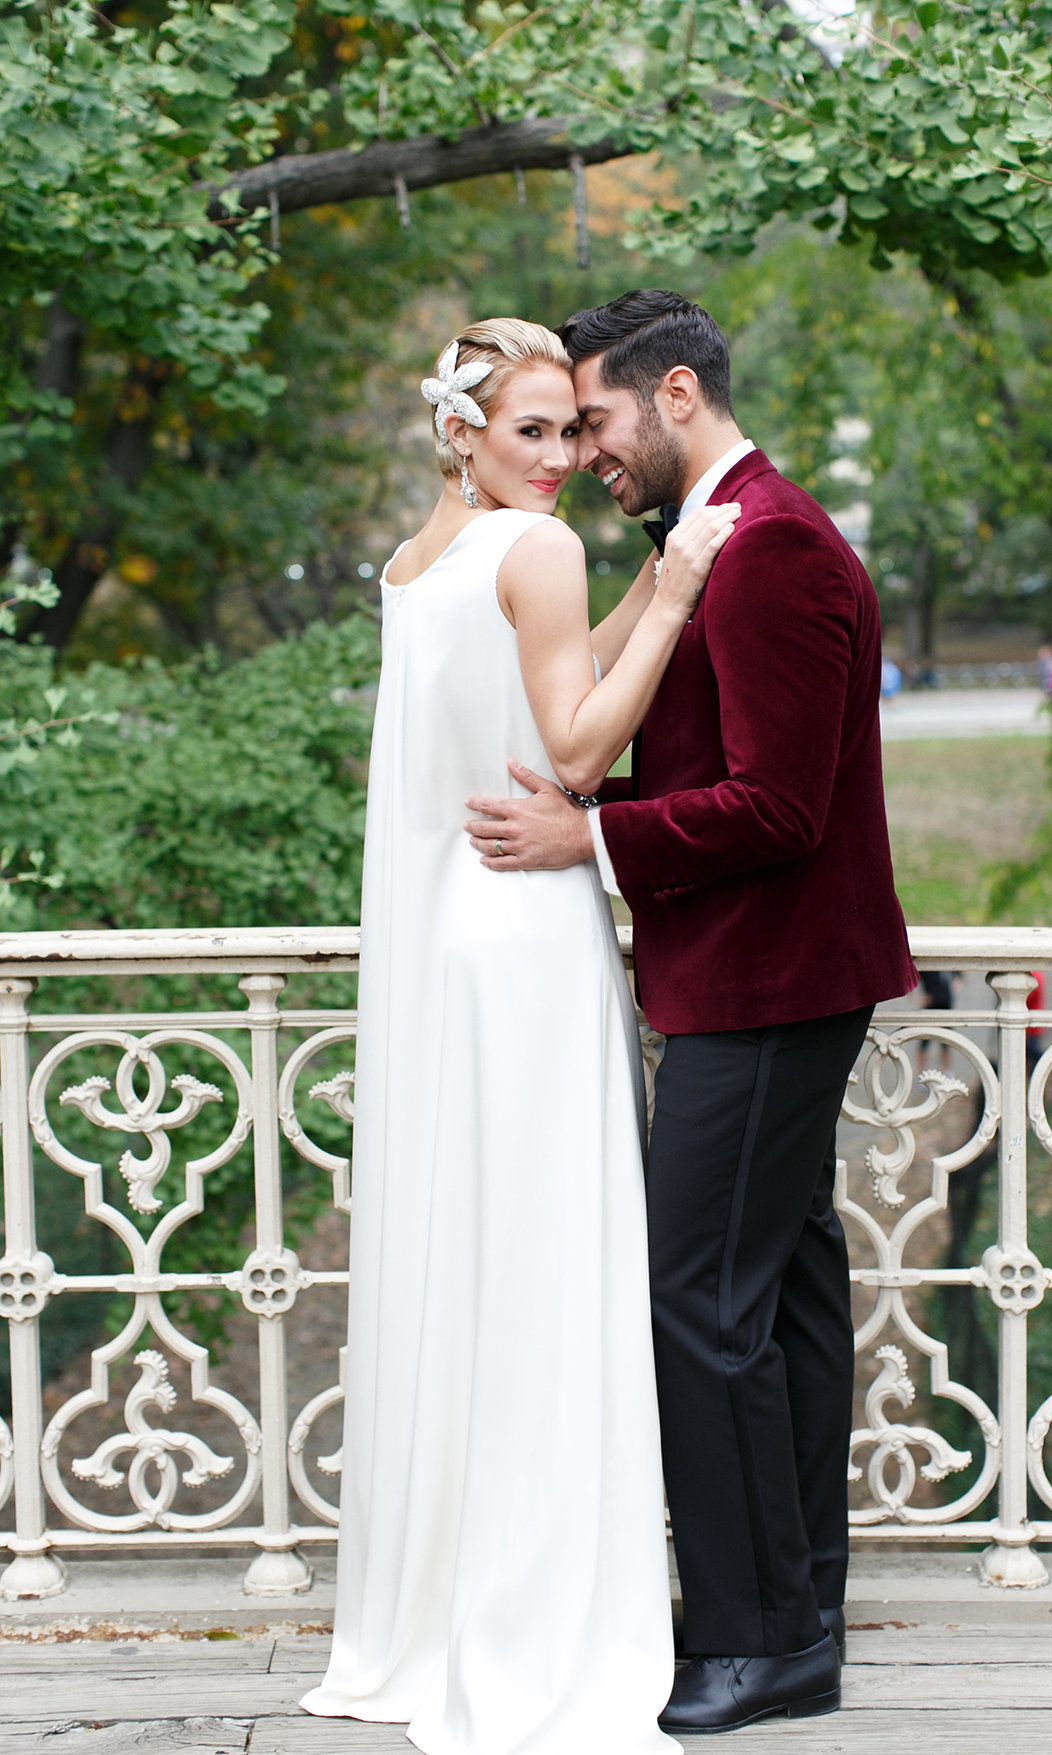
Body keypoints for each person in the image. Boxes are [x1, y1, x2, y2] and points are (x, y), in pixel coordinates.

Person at [466, 291, 918, 1734]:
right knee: (776, 1299)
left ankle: (749, 1638)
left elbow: (778, 806)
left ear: (672, 397)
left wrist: (584, 845)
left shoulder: (773, 549)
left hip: (772, 985)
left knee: (695, 1304)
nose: (582, 450)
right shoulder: (711, 540)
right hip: (754, 978)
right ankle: (794, 1607)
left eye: (592, 418)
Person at [299, 317, 738, 1755]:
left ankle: (428, 1611)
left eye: (569, 429)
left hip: (445, 943)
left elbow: (537, 676)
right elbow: (569, 751)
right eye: (531, 430)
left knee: (473, 1263)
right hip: (532, 925)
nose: (559, 458)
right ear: (465, 432)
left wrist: (620, 620)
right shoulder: (540, 551)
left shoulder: (414, 566)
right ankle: (542, 1620)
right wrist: (670, 593)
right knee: (550, 1267)